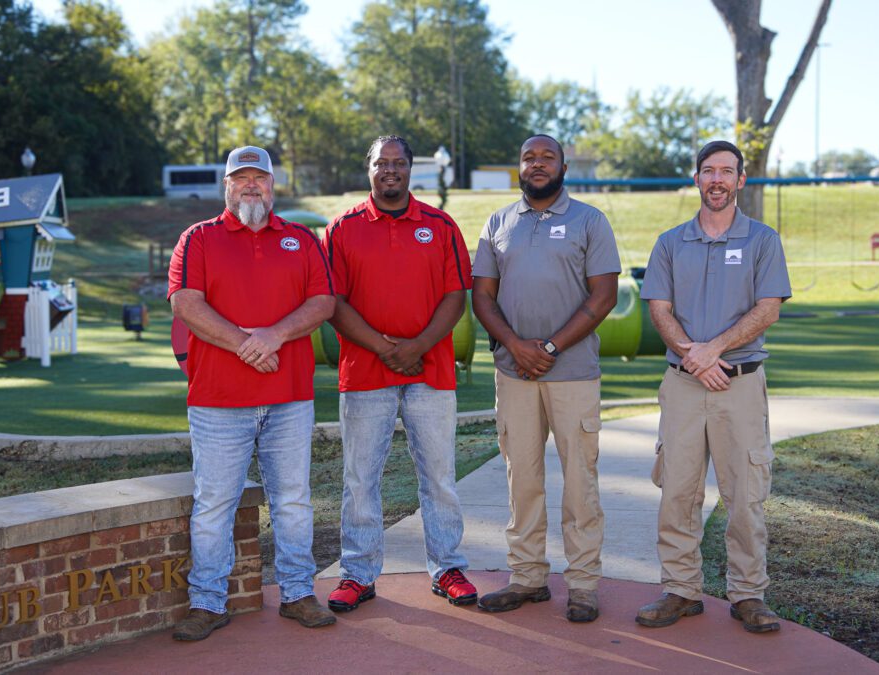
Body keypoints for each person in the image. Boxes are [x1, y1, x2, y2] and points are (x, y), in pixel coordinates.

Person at [167, 146, 337, 641]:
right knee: (215, 502)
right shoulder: (198, 239)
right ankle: (207, 602)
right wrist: (247, 343)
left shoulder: (300, 239)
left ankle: (299, 593)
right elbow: (185, 304)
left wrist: (274, 336)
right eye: (240, 179)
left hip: (288, 397)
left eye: (258, 179)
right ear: (226, 186)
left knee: (293, 501)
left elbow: (323, 300)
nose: (250, 187)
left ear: (272, 185)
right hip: (218, 401)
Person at [636, 140, 792, 633]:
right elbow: (659, 309)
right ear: (697, 179)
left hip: (739, 384)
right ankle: (680, 590)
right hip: (683, 384)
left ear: (741, 180)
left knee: (745, 493)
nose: (718, 179)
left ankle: (748, 595)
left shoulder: (762, 240)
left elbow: (769, 308)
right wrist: (693, 356)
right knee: (677, 490)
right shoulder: (670, 242)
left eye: (727, 171)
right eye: (709, 171)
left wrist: (713, 349)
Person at [322, 135, 477, 612]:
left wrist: (417, 348)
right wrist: (386, 349)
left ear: (412, 169)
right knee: (360, 480)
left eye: (399, 163)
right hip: (365, 374)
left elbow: (456, 296)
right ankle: (358, 573)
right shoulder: (342, 228)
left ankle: (447, 567)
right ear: (367, 168)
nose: (390, 170)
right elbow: (333, 303)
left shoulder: (440, 224)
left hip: (430, 373)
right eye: (381, 163)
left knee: (438, 477)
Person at [472, 134, 620, 623]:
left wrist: (551, 347)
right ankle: (528, 577)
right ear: (519, 166)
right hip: (513, 374)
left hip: (573, 373)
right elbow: (482, 298)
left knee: (580, 482)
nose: (537, 164)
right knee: (523, 479)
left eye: (547, 157)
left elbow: (603, 298)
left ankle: (582, 584)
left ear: (564, 164)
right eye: (528, 157)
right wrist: (516, 346)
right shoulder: (499, 223)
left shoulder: (589, 221)